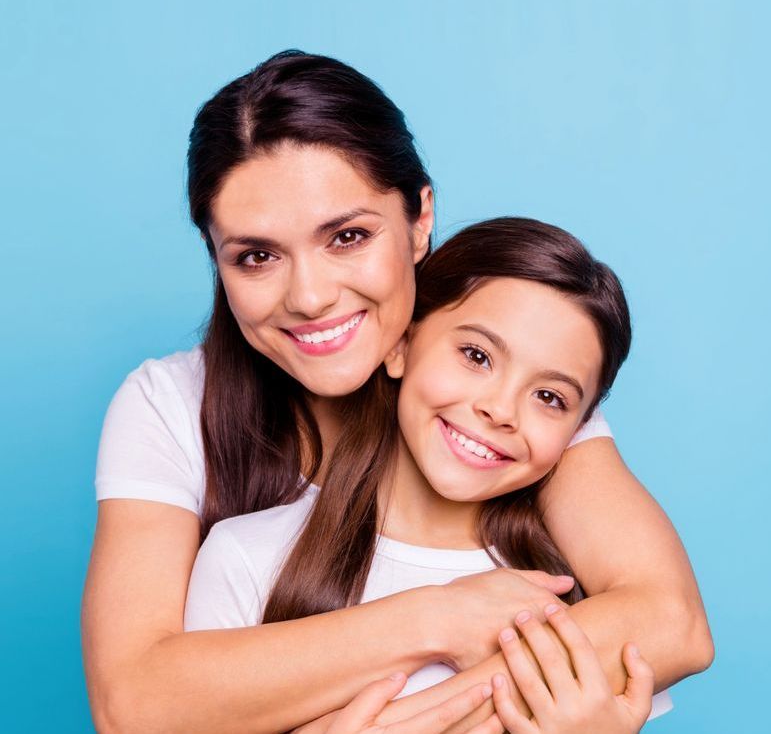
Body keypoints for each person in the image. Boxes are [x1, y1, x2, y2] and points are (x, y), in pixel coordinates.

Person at [82, 51, 713, 734]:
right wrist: (437, 617)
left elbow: (668, 619)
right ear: (216, 258)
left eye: (347, 236)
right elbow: (136, 702)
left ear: (418, 219)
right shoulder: (173, 407)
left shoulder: (492, 395)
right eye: (257, 255)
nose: (310, 296)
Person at [184, 217, 672, 733]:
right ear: (400, 345)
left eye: (549, 398)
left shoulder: (584, 608)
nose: (501, 410)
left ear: (579, 427)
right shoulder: (246, 557)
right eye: (476, 355)